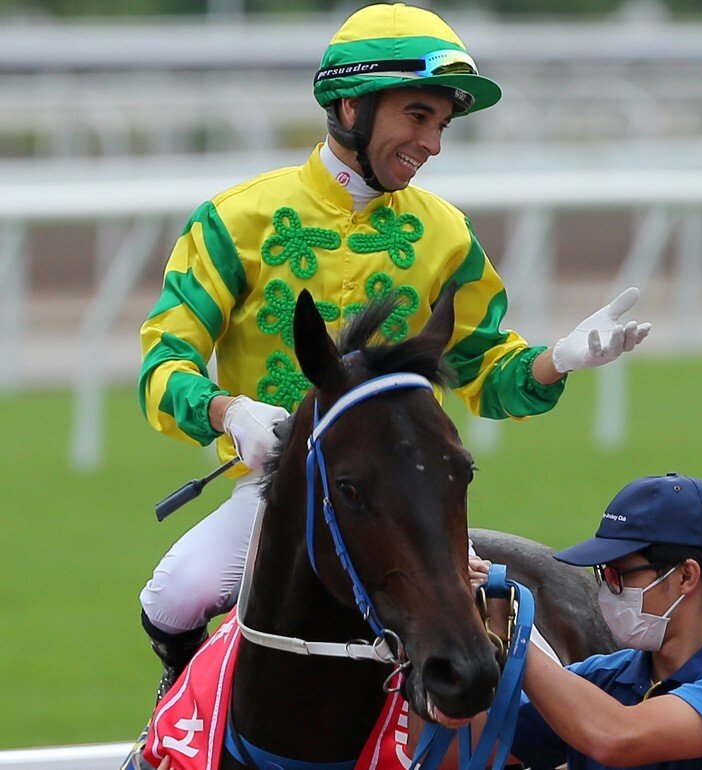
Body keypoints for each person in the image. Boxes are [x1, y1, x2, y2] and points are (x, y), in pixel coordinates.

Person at [136, 2, 650, 701]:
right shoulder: (234, 221)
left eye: (440, 125)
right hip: (287, 495)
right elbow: (162, 367)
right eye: (418, 116)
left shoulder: (447, 235)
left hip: (412, 500)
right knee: (175, 593)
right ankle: (183, 714)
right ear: (350, 107)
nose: (432, 143)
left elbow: (486, 374)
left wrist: (554, 359)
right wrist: (230, 412)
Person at [479, 473, 702, 769]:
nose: (606, 590)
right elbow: (462, 748)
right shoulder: (601, 678)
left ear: (686, 576)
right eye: (602, 574)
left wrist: (515, 634)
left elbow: (617, 737)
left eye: (618, 574)